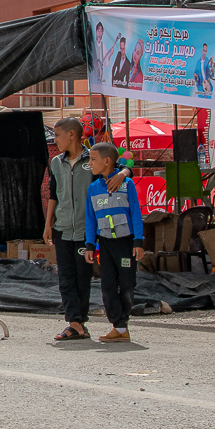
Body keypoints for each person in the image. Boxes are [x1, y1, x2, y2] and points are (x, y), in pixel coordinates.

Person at [41, 117, 126, 341]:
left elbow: (122, 169)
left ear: (72, 135)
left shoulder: (93, 161)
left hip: (86, 231)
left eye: (58, 135)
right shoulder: (56, 162)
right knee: (65, 277)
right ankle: (74, 323)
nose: (55, 140)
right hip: (61, 227)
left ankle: (80, 321)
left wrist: (123, 174)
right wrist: (48, 224)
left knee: (82, 276)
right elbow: (53, 194)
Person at [82, 142, 144, 343]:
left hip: (126, 243)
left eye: (93, 159)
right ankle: (117, 325)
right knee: (107, 285)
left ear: (107, 161)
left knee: (127, 284)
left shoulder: (127, 184)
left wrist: (138, 241)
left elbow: (136, 213)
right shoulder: (93, 188)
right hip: (105, 245)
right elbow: (90, 218)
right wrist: (90, 244)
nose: (90, 163)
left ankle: (122, 324)